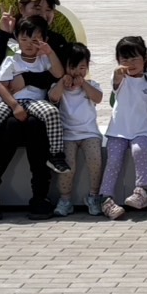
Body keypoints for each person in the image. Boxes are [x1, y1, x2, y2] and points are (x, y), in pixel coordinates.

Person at [0, 0, 73, 221]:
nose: (44, 14)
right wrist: (3, 34)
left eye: (49, 9)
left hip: (38, 106)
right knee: (7, 126)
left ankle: (40, 196)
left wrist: (26, 78)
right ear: (22, 9)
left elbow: (57, 75)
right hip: (5, 103)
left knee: (35, 126)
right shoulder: (1, 37)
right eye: (37, 7)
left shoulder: (55, 42)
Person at [0, 17, 69, 185]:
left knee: (52, 112)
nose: (29, 44)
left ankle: (56, 155)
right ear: (16, 38)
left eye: (35, 40)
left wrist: (50, 52)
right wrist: (14, 106)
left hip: (34, 101)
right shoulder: (11, 57)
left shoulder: (44, 59)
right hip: (8, 101)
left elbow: (59, 74)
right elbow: (1, 86)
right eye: (24, 39)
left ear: (44, 40)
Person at [99, 35, 147, 219]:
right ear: (118, 61)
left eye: (135, 58)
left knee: (139, 151)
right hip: (118, 130)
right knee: (113, 161)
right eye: (125, 59)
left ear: (145, 58)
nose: (130, 63)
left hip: (142, 130)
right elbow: (115, 82)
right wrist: (118, 74)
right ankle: (106, 199)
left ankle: (141, 191)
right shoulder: (120, 78)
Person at [49, 42, 105, 217]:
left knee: (95, 161)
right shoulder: (60, 87)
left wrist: (84, 85)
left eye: (82, 68)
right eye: (72, 67)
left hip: (90, 133)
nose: (77, 72)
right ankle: (65, 199)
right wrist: (61, 82)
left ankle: (93, 196)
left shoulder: (91, 84)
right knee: (68, 166)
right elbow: (53, 97)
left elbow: (98, 98)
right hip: (67, 135)